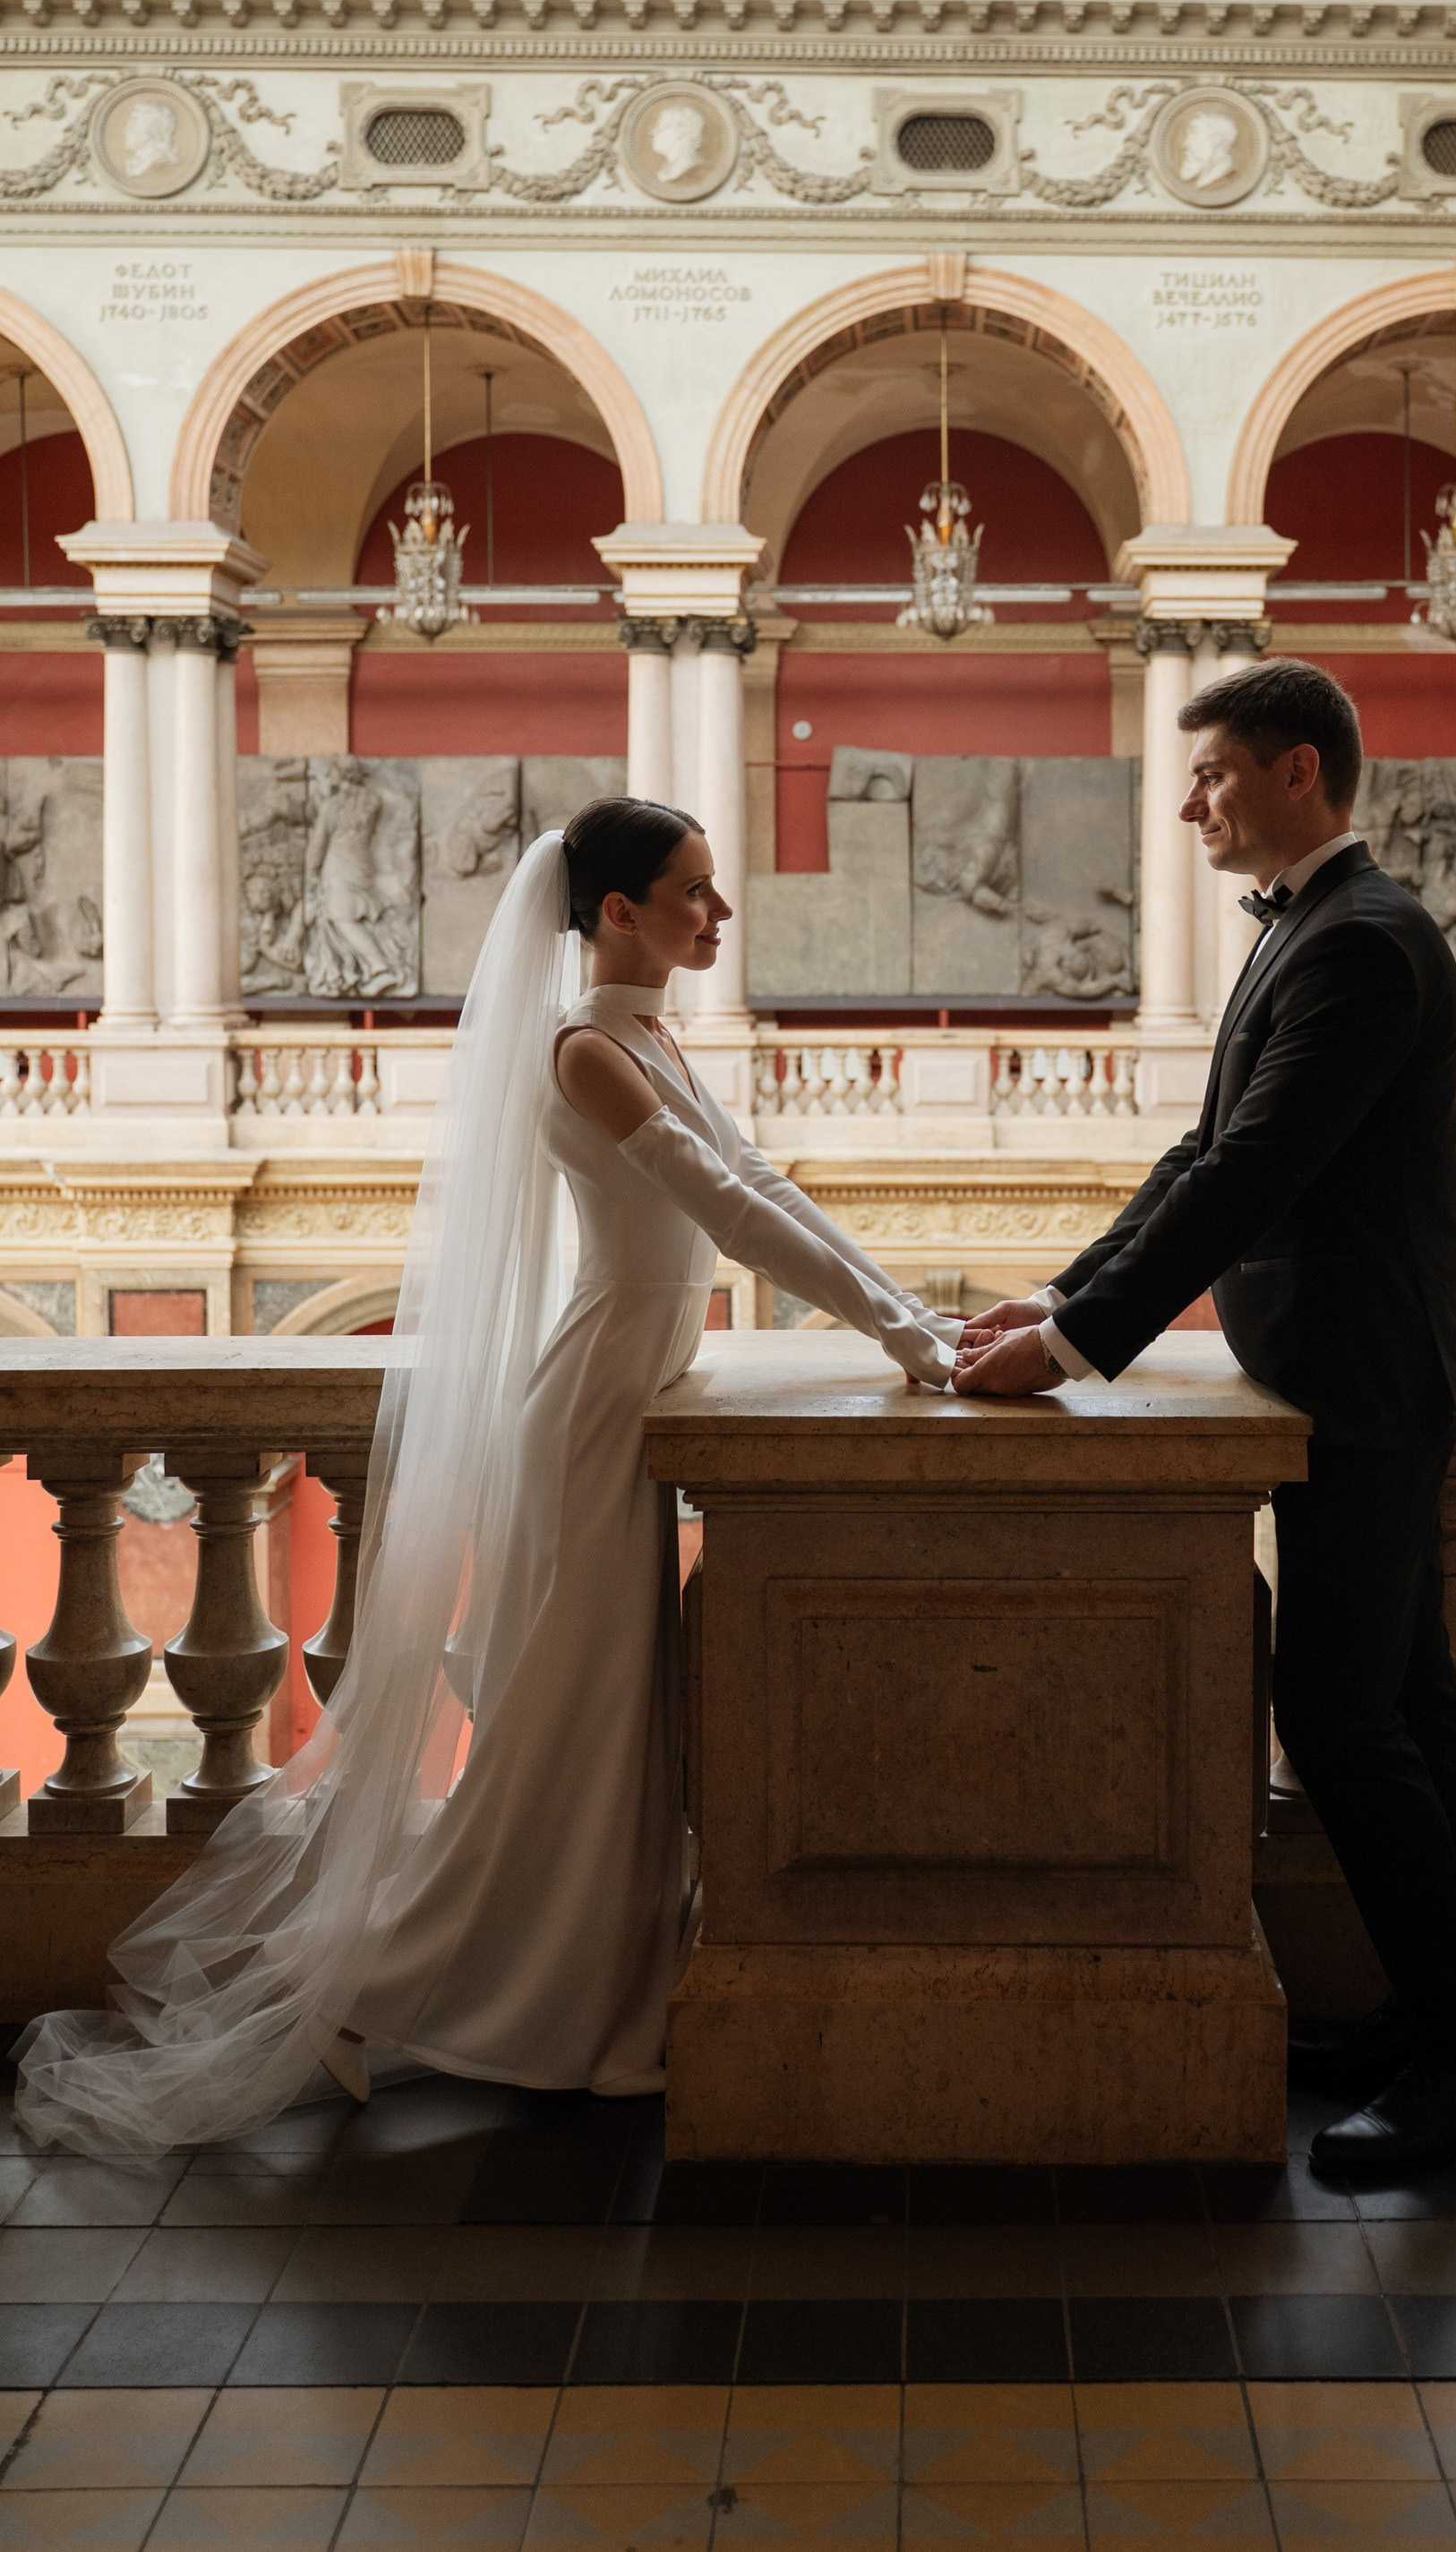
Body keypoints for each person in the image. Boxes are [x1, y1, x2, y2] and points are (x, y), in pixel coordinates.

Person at [14, 801, 959, 2159]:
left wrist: (917, 1318)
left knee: (605, 1737)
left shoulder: (648, 1036)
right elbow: (722, 1205)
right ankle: (383, 1990)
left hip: (626, 1399)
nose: (721, 914)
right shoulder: (582, 1051)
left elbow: (767, 1185)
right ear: (617, 911)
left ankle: (580, 2014)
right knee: (570, 1734)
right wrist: (907, 1336)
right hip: (586, 1417)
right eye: (695, 891)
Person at [953, 658, 1456, 2175]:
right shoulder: (1323, 933)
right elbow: (1199, 1152)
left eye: (1211, 773)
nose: (1191, 803)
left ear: (1298, 773)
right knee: (1402, 1714)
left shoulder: (1363, 945)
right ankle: (1435, 2020)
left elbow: (1251, 1178)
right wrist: (1056, 1299)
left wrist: (1081, 1345)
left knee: (1343, 1719)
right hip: (1348, 1379)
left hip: (1364, 1388)